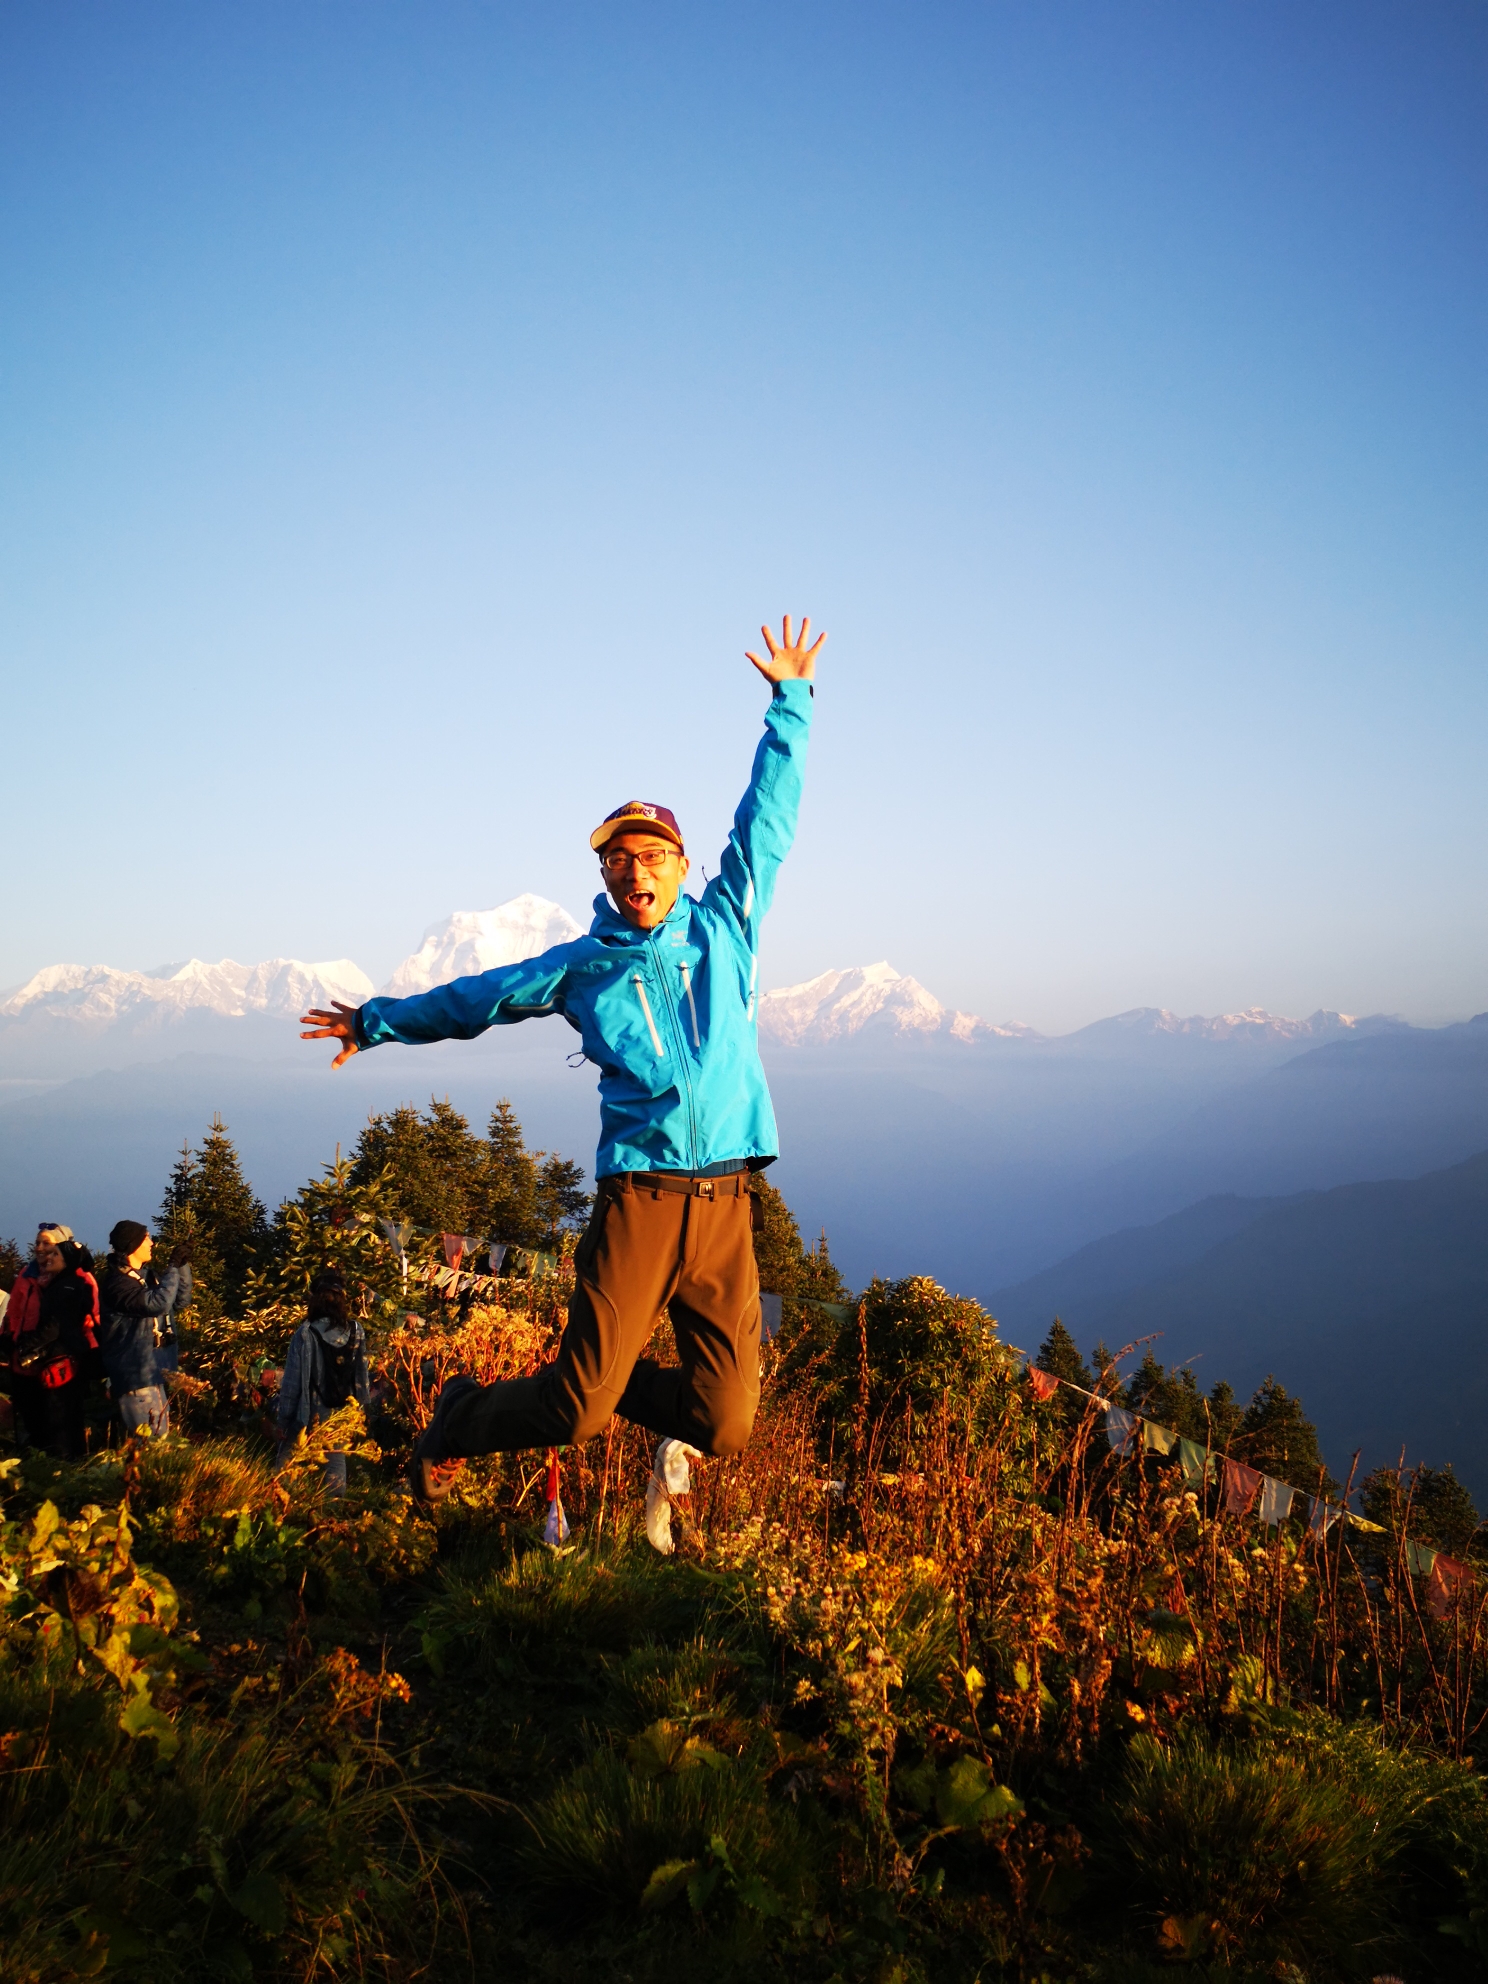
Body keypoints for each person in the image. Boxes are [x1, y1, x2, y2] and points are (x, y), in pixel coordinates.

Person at [301, 613, 824, 1506]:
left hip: (730, 1200)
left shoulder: (726, 925)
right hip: (641, 1200)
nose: (636, 871)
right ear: (607, 876)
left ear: (682, 863)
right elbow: (477, 999)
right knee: (578, 1413)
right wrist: (377, 1022)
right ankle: (462, 1418)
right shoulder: (580, 966)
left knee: (727, 1419)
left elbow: (766, 822)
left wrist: (792, 703)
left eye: (652, 854)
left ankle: (605, 1383)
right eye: (619, 860)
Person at [3, 1223, 100, 1458]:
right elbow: (13, 1312)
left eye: (47, 1243)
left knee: (59, 1421)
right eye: (38, 1242)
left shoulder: (75, 1280)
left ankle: (58, 1467)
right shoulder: (27, 1276)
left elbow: (79, 1320)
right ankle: (35, 1464)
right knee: (30, 1418)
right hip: (23, 1359)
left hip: (56, 1360)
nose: (40, 1248)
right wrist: (9, 1341)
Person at [275, 1267, 372, 1492]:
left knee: (288, 1461)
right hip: (341, 1412)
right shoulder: (356, 1331)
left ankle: (284, 1508)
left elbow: (291, 1384)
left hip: (309, 1411)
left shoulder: (305, 1333)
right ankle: (334, 1514)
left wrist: (283, 1421)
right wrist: (363, 1414)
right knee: (335, 1462)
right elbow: (362, 1376)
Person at [98, 1222, 192, 1437]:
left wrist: (182, 1266)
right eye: (146, 1238)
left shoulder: (148, 1277)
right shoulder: (118, 1284)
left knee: (161, 1437)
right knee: (152, 1441)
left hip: (155, 1373)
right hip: (136, 1376)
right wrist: (172, 1266)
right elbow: (157, 1304)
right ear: (133, 1244)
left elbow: (180, 1301)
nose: (152, 1243)